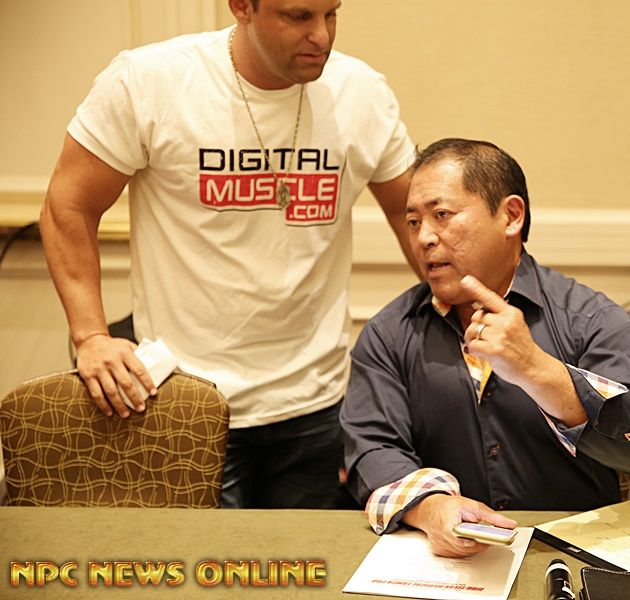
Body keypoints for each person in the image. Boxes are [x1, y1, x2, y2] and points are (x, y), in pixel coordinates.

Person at [39, 0, 418, 508]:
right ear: (242, 6)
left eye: (331, 14)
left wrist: (467, 312)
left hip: (316, 400)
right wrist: (90, 336)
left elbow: (412, 213)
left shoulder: (361, 92)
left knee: (302, 559)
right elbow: (68, 205)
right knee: (200, 559)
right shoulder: (150, 81)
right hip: (187, 401)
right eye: (299, 16)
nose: (322, 36)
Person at [341, 138, 630, 557]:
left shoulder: (588, 318)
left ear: (511, 216)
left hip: (573, 556)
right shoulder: (389, 333)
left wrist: (536, 369)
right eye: (412, 221)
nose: (423, 238)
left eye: (441, 215)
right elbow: (372, 447)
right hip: (444, 562)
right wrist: (431, 507)